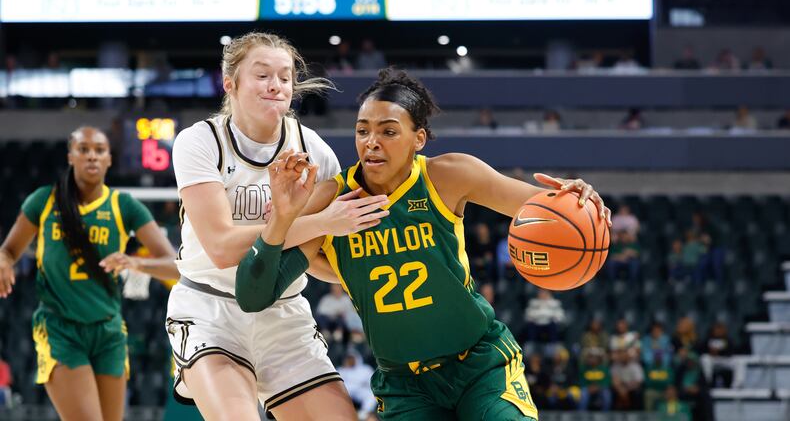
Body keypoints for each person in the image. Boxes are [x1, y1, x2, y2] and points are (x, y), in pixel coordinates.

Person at [237, 67, 612, 419]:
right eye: (362, 130)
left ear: (419, 139)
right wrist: (289, 220)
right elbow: (253, 295)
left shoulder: (447, 176)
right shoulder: (333, 200)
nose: (371, 143)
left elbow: (540, 208)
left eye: (388, 131)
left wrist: (577, 199)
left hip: (480, 364)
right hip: (404, 385)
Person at [166, 31, 389, 420]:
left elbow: (314, 257)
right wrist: (318, 222)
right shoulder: (200, 141)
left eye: (285, 77)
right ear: (230, 83)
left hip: (284, 314)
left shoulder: (315, 150)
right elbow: (220, 247)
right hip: (211, 311)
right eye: (263, 74)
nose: (276, 85)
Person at [0, 126, 179, 421]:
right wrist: (4, 261)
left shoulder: (124, 206)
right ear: (71, 156)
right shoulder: (44, 201)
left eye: (99, 150)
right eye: (84, 149)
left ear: (110, 159)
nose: (92, 156)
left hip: (108, 331)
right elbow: (8, 250)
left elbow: (173, 264)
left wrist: (137, 264)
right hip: (60, 329)